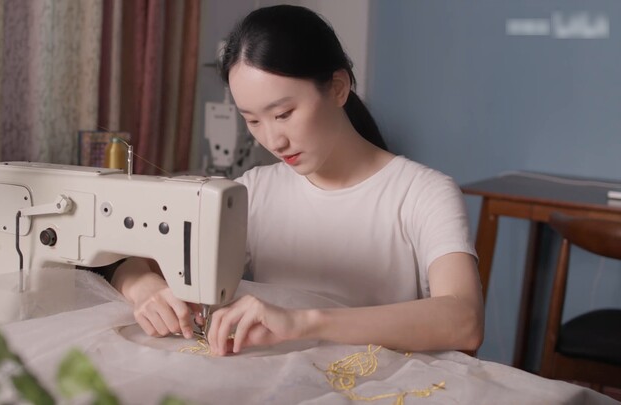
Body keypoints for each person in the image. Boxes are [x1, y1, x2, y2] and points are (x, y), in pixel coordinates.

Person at [109, 4, 484, 356]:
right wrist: (144, 288)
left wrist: (303, 321)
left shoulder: (422, 193)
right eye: (253, 120)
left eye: (284, 113)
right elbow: (130, 260)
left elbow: (464, 320)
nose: (273, 141)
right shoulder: (254, 191)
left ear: (338, 88)